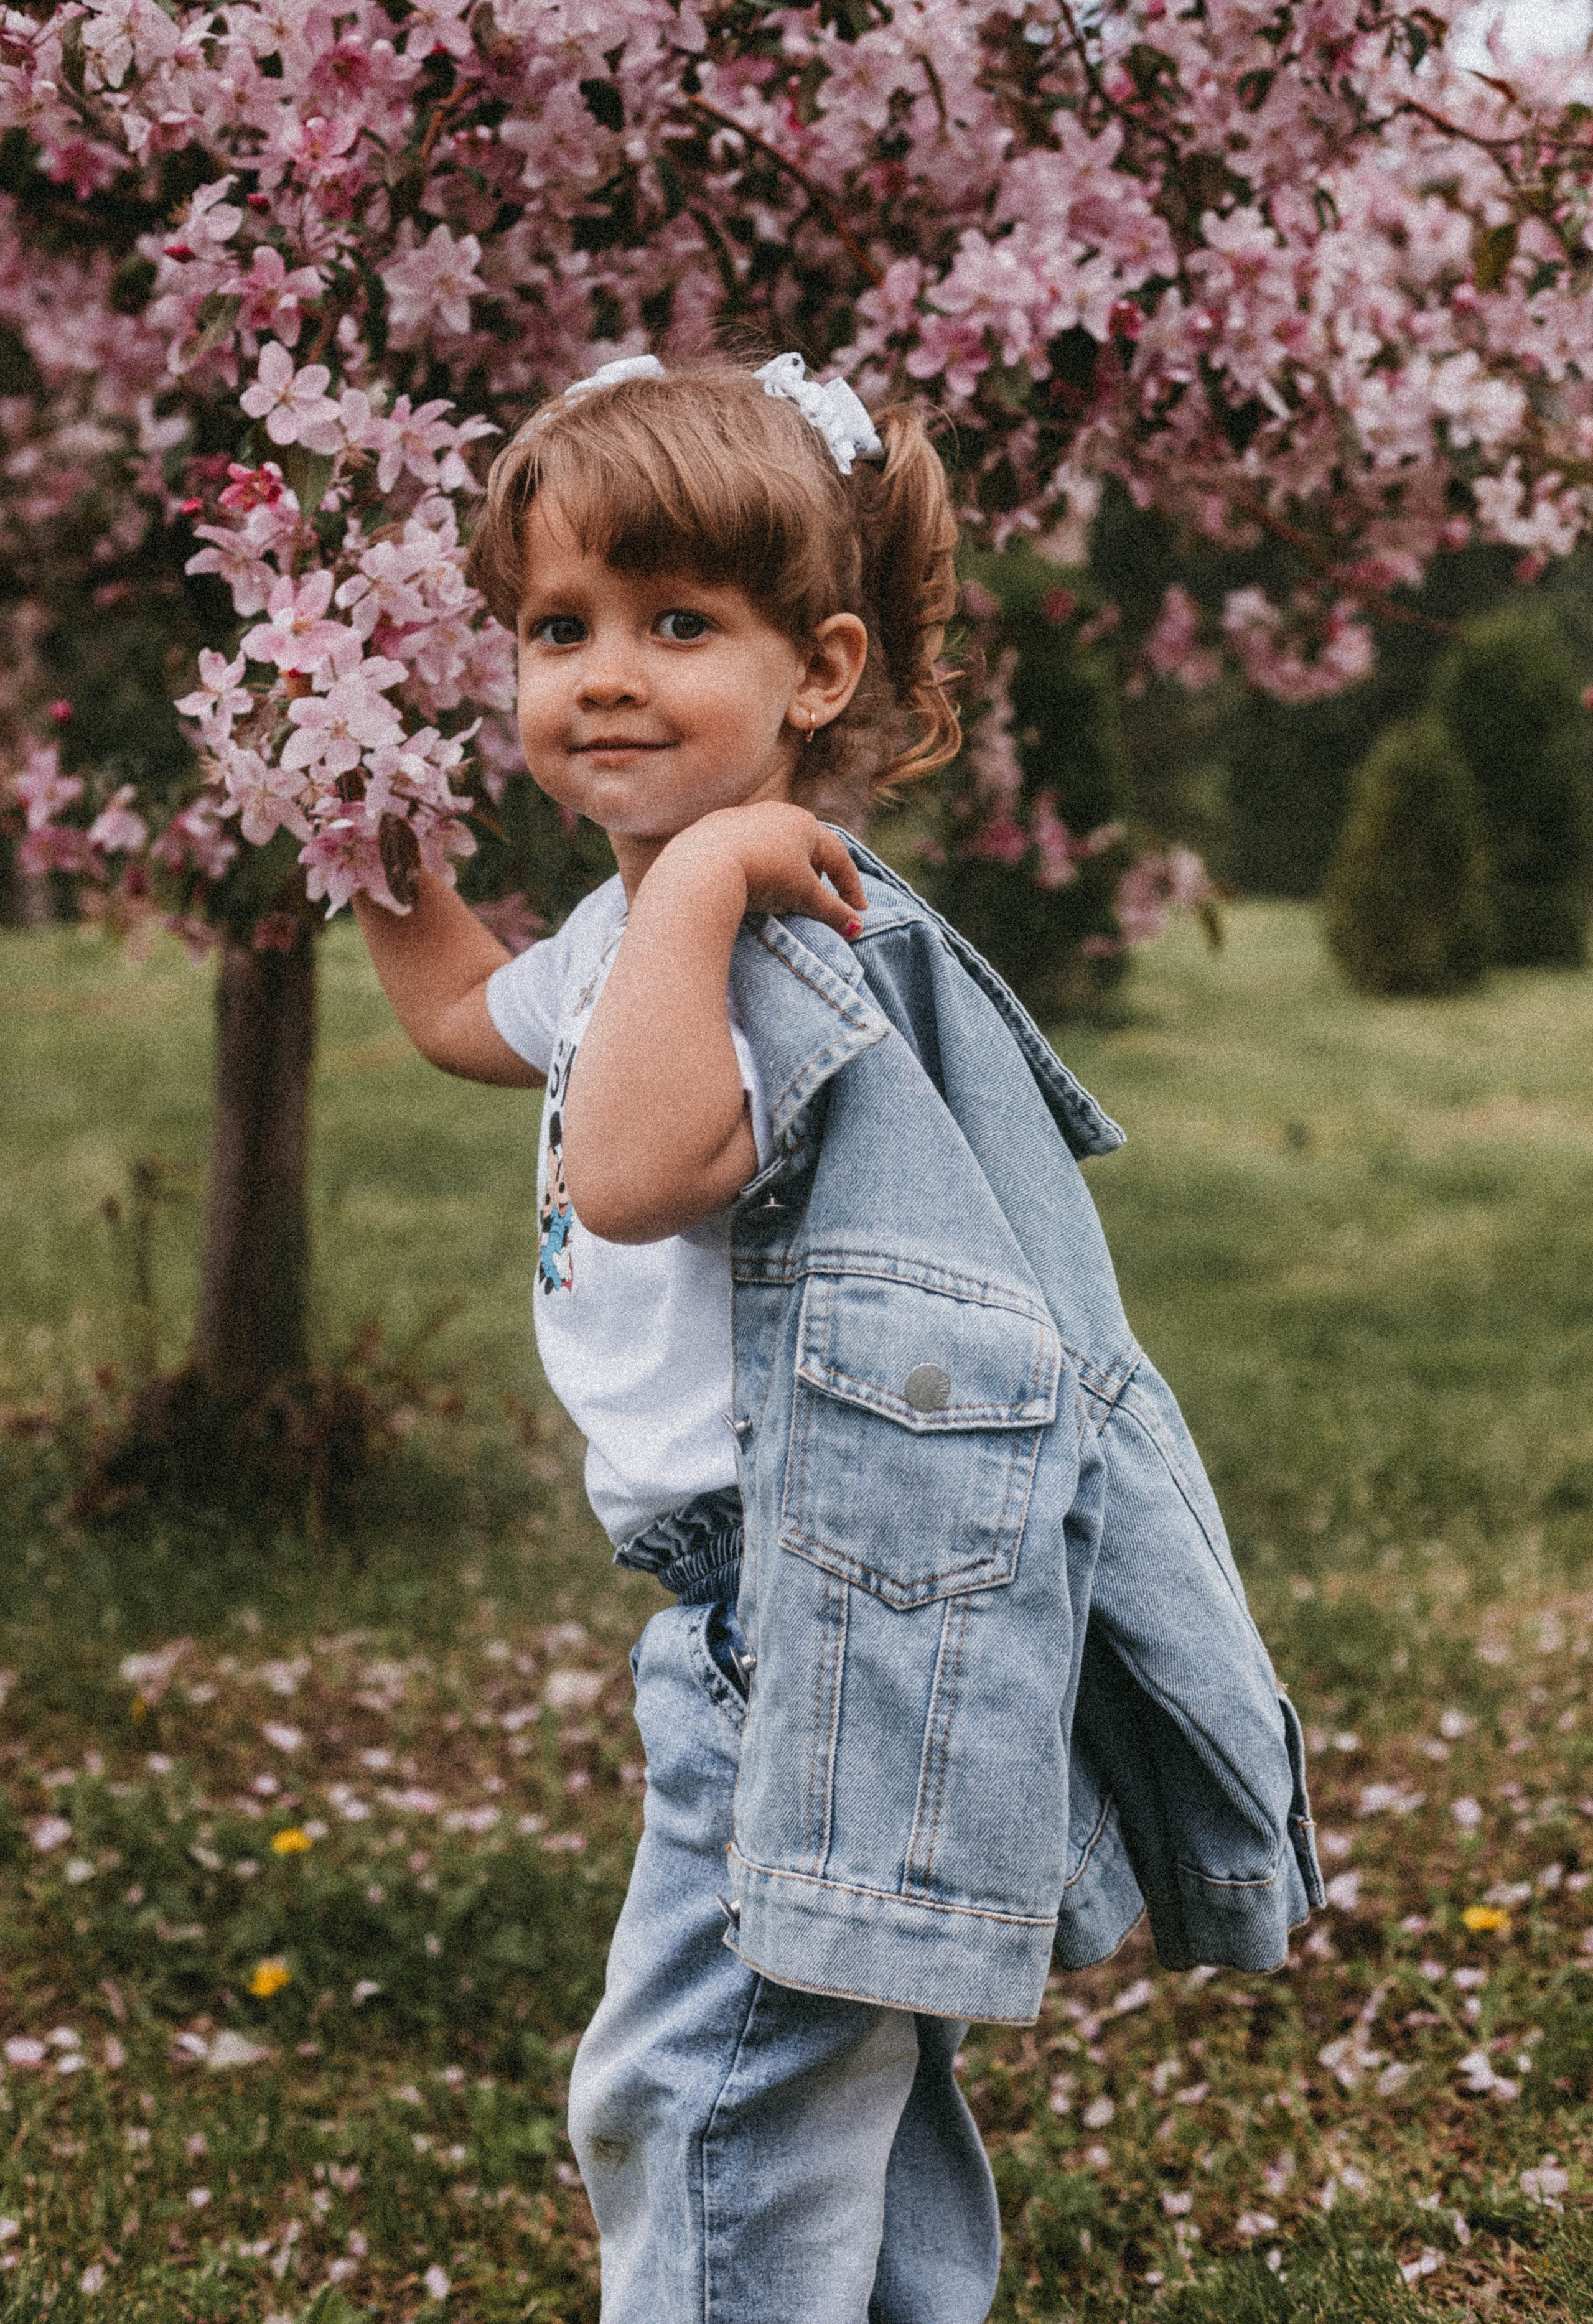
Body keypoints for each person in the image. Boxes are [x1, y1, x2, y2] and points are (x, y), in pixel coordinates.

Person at [354, 349, 1323, 2324]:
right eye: (560, 627)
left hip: (807, 1604)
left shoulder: (774, 930)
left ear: (819, 671)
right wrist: (378, 840)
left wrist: (710, 868)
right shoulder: (645, 928)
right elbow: (481, 1025)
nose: (603, 674)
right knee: (841, 2083)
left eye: (676, 623)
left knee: (705, 2089)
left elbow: (635, 1170)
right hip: (765, 1595)